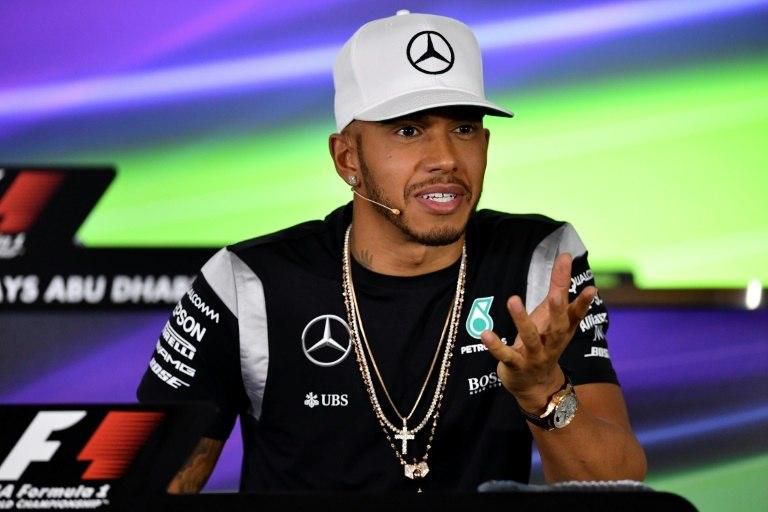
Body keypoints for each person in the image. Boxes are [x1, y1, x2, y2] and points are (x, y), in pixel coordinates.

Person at [137, 11, 646, 493]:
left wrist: (542, 389)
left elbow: (618, 488)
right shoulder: (246, 283)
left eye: (464, 128)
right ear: (347, 158)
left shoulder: (541, 261)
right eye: (408, 130)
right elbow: (153, 490)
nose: (445, 158)